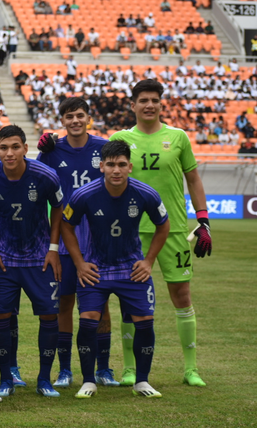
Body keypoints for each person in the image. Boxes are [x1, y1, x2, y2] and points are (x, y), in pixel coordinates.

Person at [110, 79, 211, 387]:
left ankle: (191, 368)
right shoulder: (121, 138)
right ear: (133, 105)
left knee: (181, 295)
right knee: (129, 300)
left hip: (173, 230)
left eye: (154, 99)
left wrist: (203, 219)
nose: (149, 105)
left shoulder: (178, 137)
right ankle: (129, 368)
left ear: (160, 104)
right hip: (130, 232)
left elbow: (193, 180)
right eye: (143, 100)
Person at [62, 139, 170, 399]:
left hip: (131, 269)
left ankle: (142, 382)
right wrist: (79, 263)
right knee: (88, 323)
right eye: (111, 164)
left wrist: (148, 261)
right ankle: (89, 381)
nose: (116, 170)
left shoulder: (146, 194)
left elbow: (163, 225)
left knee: (144, 322)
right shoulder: (83, 195)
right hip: (95, 270)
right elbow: (66, 225)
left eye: (122, 164)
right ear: (102, 166)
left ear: (130, 167)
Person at [37, 97, 118, 388]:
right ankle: (65, 370)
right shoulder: (51, 150)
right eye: (69, 116)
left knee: (101, 305)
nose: (74, 121)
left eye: (79, 115)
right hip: (62, 238)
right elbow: (38, 186)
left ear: (89, 118)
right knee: (64, 304)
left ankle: (104, 368)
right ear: (62, 121)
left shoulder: (103, 148)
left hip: (98, 241)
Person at [0, 125, 64, 398]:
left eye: (15, 147)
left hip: (39, 258)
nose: (10, 153)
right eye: (3, 148)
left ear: (25, 149)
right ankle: (5, 379)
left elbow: (59, 208)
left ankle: (44, 379)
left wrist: (53, 248)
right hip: (3, 259)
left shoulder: (46, 176)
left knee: (50, 316)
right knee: (1, 317)